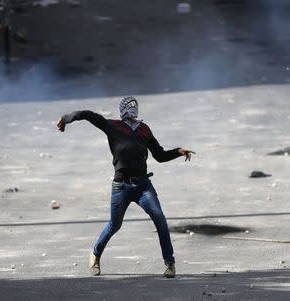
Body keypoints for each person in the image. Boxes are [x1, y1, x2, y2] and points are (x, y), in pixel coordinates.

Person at [56, 96, 195, 278]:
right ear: (122, 110)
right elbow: (88, 115)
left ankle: (170, 264)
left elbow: (159, 155)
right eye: (129, 106)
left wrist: (178, 151)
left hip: (143, 186)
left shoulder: (144, 130)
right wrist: (66, 118)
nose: (133, 109)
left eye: (135, 106)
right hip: (121, 186)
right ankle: (95, 254)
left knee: (160, 218)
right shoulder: (113, 126)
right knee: (115, 225)